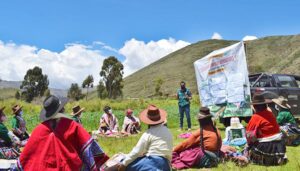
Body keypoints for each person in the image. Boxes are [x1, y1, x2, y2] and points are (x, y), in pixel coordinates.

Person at [17, 95, 109, 170]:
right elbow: (90, 148)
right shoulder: (72, 126)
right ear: (62, 109)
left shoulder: (38, 130)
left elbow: (24, 158)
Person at [118, 105, 173, 171]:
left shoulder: (148, 133)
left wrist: (124, 164)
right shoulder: (168, 131)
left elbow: (137, 151)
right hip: (165, 165)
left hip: (152, 163)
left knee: (123, 164)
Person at [246, 93, 286, 166]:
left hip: (265, 147)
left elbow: (249, 135)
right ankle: (277, 158)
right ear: (265, 105)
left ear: (255, 107)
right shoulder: (270, 114)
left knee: (248, 145)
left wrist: (249, 145)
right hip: (279, 146)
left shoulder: (256, 117)